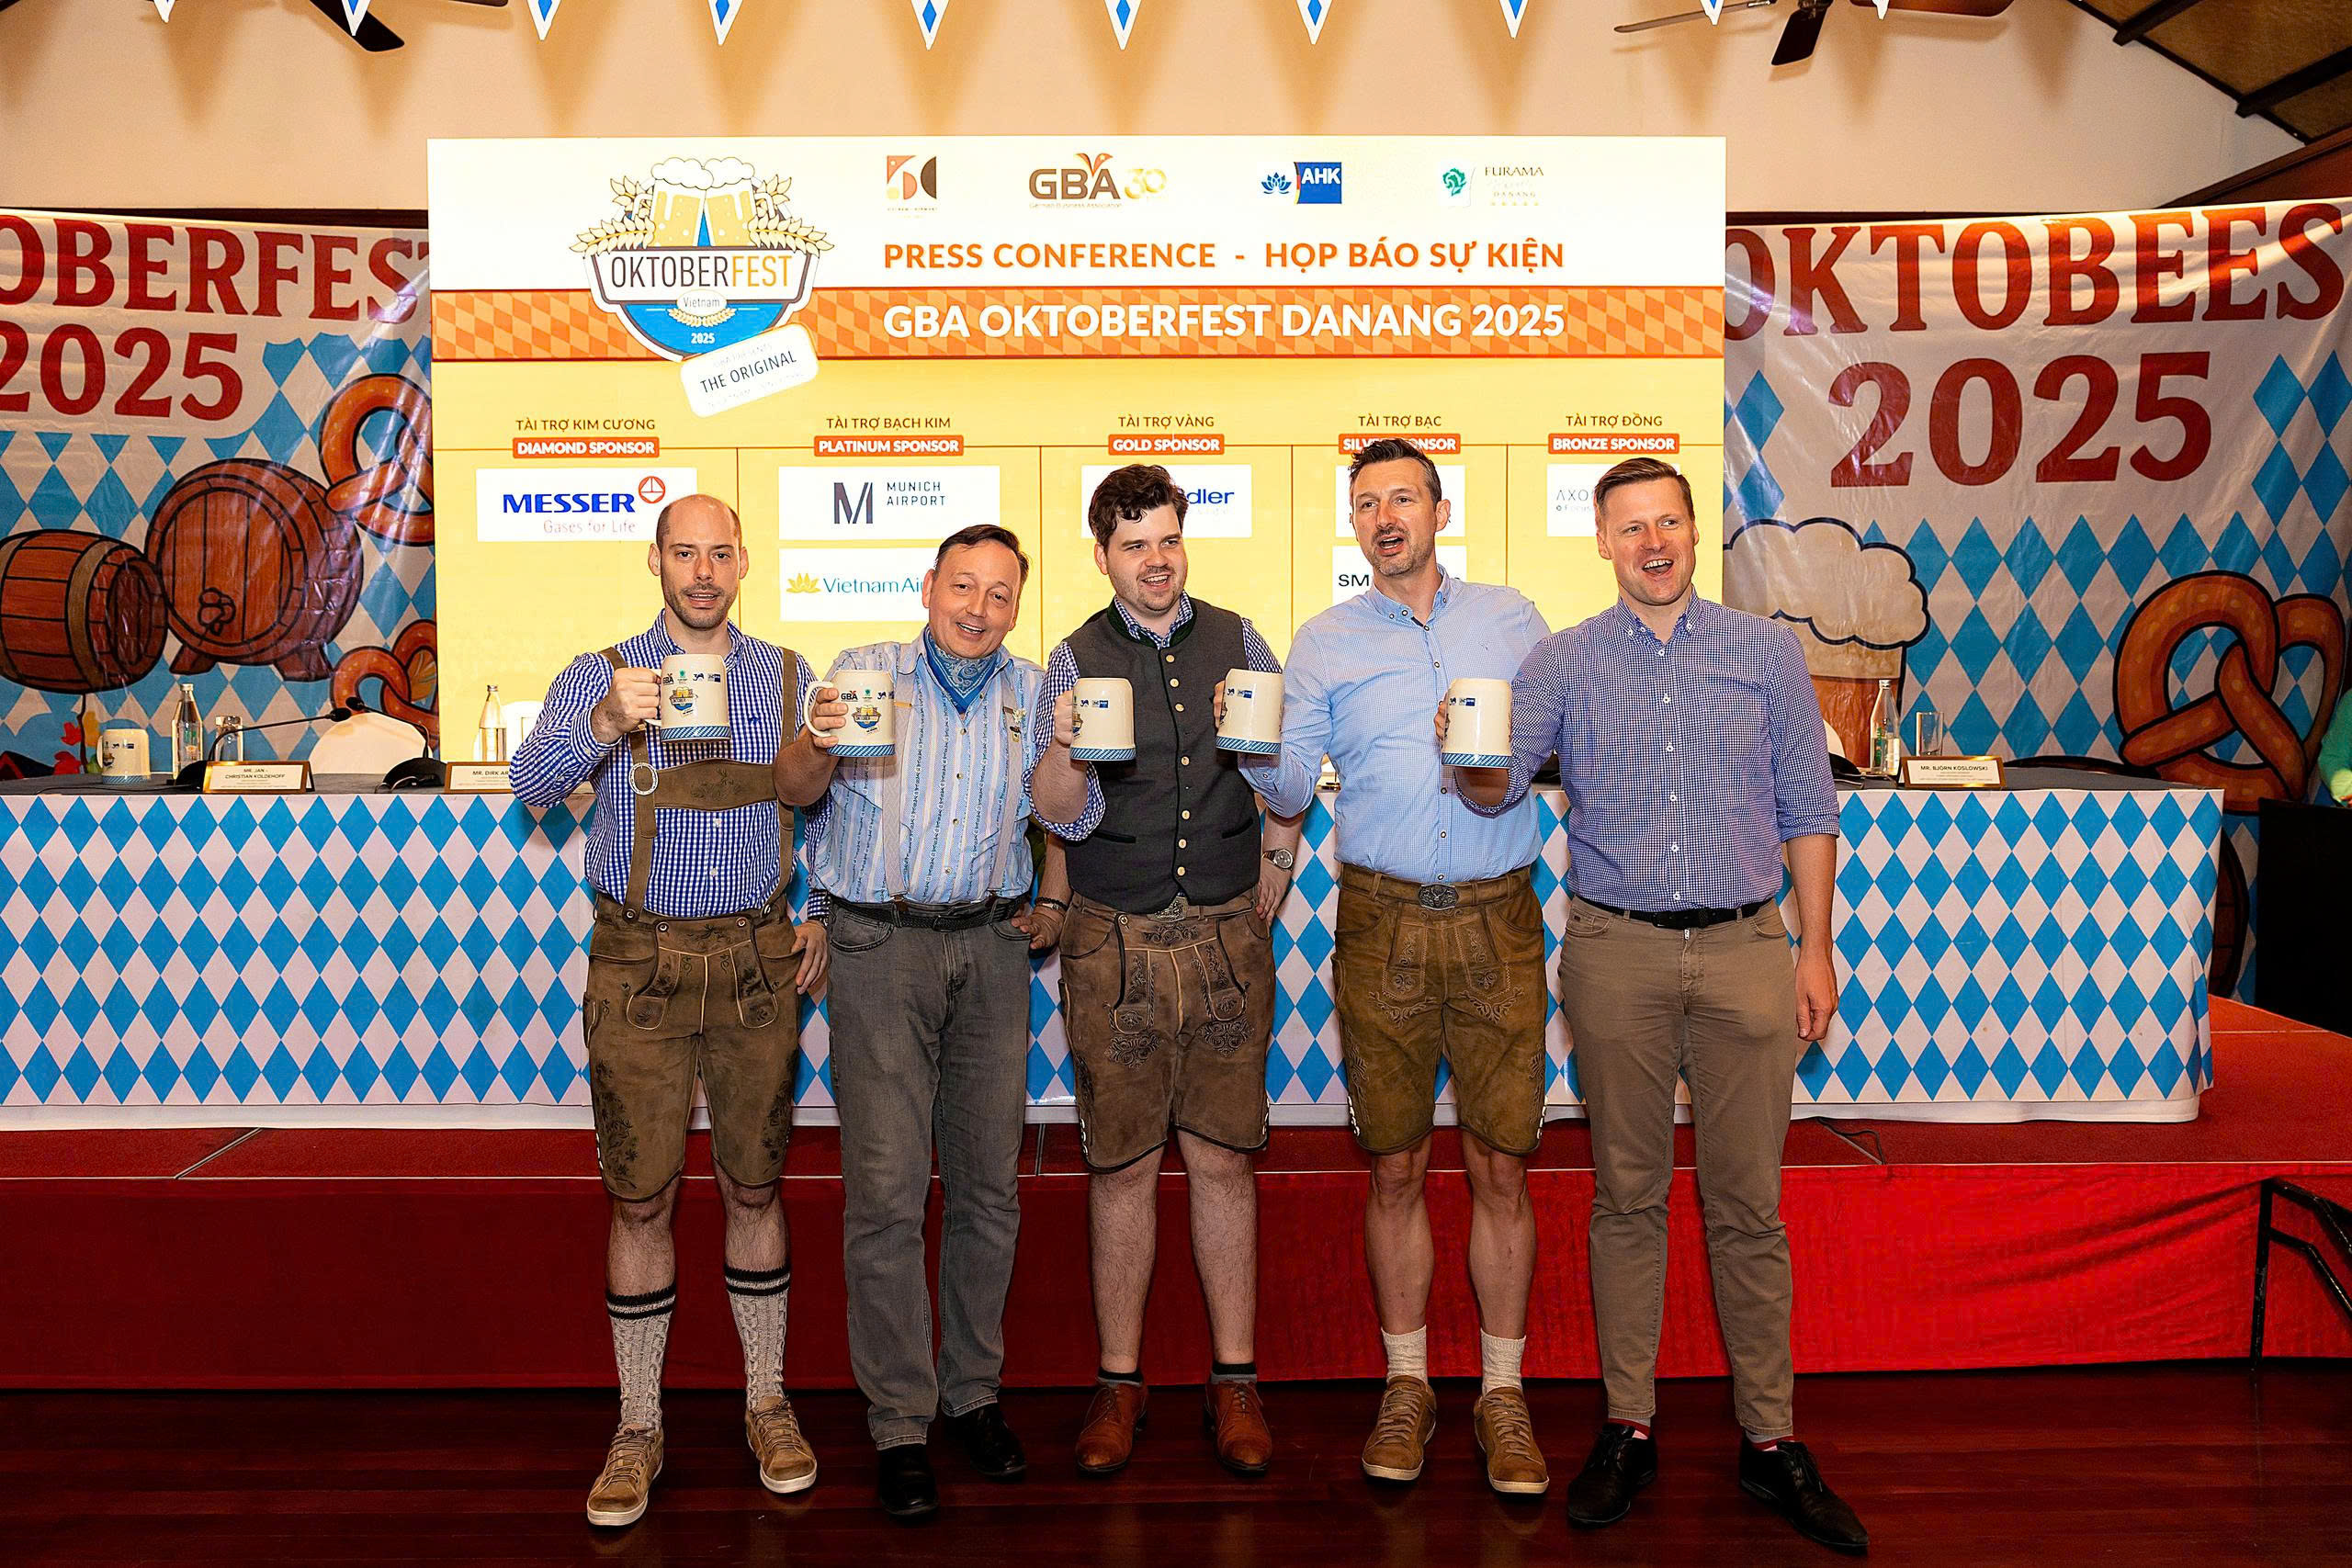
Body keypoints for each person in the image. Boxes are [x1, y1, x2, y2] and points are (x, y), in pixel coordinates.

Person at [1453, 456, 1865, 1553]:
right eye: (1630, 526)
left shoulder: (1763, 652)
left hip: (1746, 950)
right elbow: (1495, 785)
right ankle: (1626, 1427)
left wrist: (1815, 948)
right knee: (1627, 1200)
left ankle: (1770, 1442)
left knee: (1749, 1209)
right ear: (1601, 542)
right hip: (1614, 955)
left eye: (1668, 522)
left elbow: (1806, 804)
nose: (1652, 542)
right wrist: (1464, 745)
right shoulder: (1563, 660)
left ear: (1692, 531)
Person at [510, 492, 831, 1530]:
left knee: (754, 1186)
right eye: (684, 553)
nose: (702, 571)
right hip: (638, 958)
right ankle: (638, 1422)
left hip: (753, 961)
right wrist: (605, 723)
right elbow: (529, 786)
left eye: (719, 553)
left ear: (743, 563)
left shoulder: (787, 675)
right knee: (640, 1199)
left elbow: (831, 800)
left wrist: (820, 908)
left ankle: (767, 1403)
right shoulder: (600, 672)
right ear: (655, 561)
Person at [1251, 437, 1554, 1497]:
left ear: (1438, 510)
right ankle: (1408, 1383)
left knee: (1502, 1167)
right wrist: (1250, 746)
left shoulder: (1512, 619)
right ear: (1354, 525)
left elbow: (1551, 744)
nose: (1385, 518)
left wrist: (1502, 759)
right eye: (1367, 504)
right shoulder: (1323, 641)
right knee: (1393, 1166)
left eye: (1403, 498)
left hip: (1497, 919)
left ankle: (1504, 1396)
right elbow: (1290, 786)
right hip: (1379, 923)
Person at [1027, 464, 1304, 1479]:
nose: (1156, 560)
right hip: (1114, 942)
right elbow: (1058, 814)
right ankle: (1119, 1383)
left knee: (1225, 1160)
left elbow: (1286, 776)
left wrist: (1280, 851)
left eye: (1169, 539)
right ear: (1103, 556)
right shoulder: (1071, 659)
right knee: (1122, 1166)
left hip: (1227, 934)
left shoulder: (1242, 639)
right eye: (1135, 544)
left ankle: (1235, 1381)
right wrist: (1065, 748)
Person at [774, 523, 1055, 1522]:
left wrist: (1057, 900)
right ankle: (900, 1419)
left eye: (999, 593)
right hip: (877, 945)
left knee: (987, 1190)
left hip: (991, 948)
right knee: (887, 1194)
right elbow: (796, 794)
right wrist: (813, 740)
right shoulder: (865, 670)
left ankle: (971, 1393)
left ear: (1016, 606)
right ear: (929, 586)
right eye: (962, 586)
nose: (978, 608)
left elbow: (1064, 817)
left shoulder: (1036, 693)